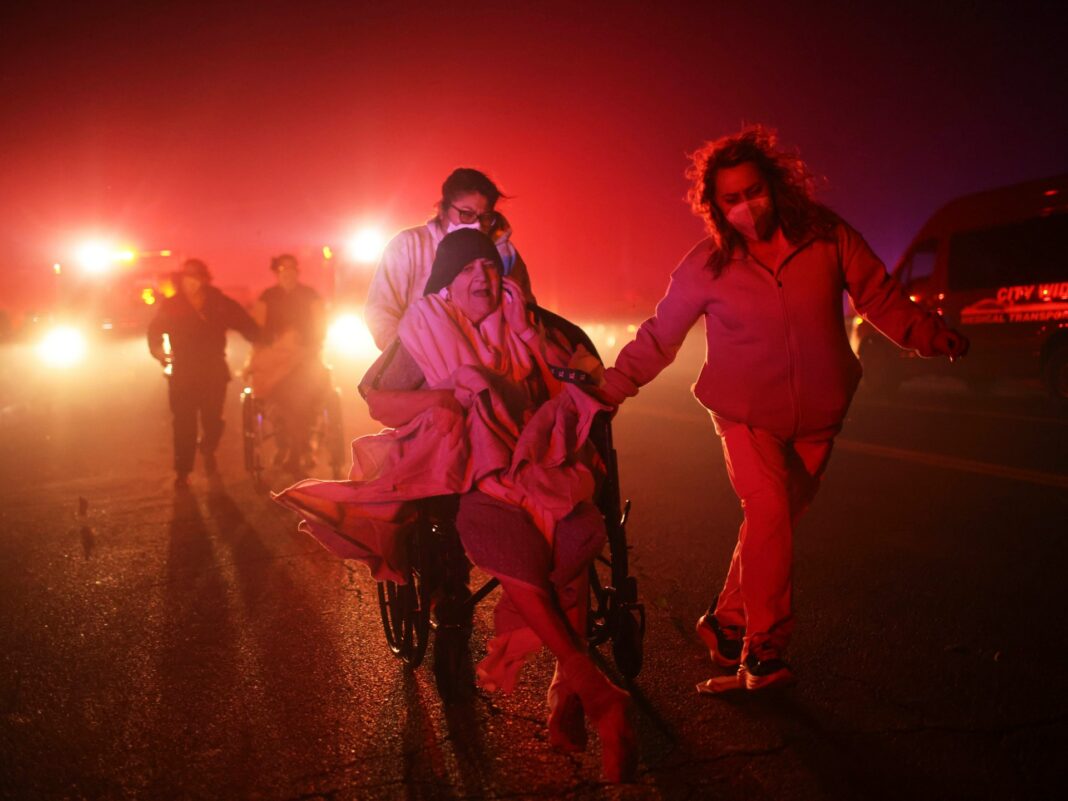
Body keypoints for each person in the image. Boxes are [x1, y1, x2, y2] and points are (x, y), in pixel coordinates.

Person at [597, 125, 969, 693]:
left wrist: (927, 334)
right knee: (768, 512)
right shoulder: (706, 265)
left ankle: (724, 623)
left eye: (754, 191)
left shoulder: (827, 236)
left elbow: (878, 295)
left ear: (776, 185)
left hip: (820, 414)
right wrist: (613, 386)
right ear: (716, 207)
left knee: (773, 527)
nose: (746, 206)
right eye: (731, 200)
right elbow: (661, 335)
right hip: (742, 412)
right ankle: (763, 652)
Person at [274, 230, 635, 782]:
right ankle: (585, 685)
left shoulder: (534, 325)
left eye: (491, 268)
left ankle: (574, 684)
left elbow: (583, 385)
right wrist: (457, 393)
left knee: (575, 528)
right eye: (469, 270)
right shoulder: (423, 329)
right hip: (472, 475)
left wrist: (542, 378)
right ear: (447, 279)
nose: (484, 279)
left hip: (543, 465)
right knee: (498, 532)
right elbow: (379, 400)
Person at [364, 167, 533, 349]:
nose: (476, 224)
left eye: (484, 218)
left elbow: (528, 312)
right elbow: (381, 312)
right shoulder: (409, 245)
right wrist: (411, 358)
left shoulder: (506, 256)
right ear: (443, 210)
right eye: (466, 214)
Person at [147, 258, 259, 489]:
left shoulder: (218, 302)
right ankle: (183, 471)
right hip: (183, 372)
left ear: (204, 280)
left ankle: (208, 448)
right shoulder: (172, 305)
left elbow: (245, 324)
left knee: (213, 421)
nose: (190, 283)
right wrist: (158, 352)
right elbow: (155, 332)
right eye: (186, 278)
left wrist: (264, 339)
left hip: (213, 371)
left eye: (195, 278)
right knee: (183, 423)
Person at [247, 254, 329, 472]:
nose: (288, 274)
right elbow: (257, 327)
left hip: (305, 357)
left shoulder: (309, 295)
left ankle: (302, 447)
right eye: (284, 270)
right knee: (276, 402)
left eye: (292, 269)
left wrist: (311, 344)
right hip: (277, 359)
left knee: (311, 396)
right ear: (277, 273)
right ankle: (286, 446)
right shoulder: (268, 297)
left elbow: (321, 323)